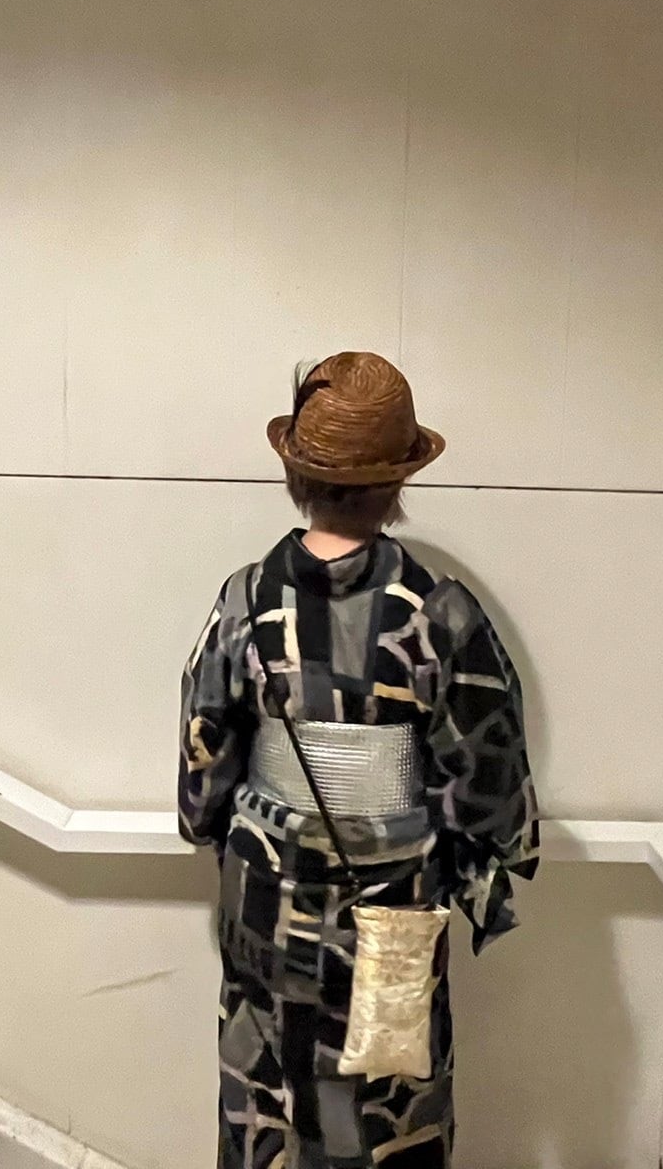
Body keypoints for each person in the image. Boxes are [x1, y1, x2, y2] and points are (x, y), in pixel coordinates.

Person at [179, 351, 540, 1169]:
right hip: (391, 907)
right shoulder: (438, 614)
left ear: (296, 477)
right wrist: (477, 857)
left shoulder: (244, 601)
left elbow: (205, 756)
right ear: (397, 483)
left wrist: (216, 821)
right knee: (390, 1099)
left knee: (266, 1097)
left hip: (266, 899)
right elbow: (487, 776)